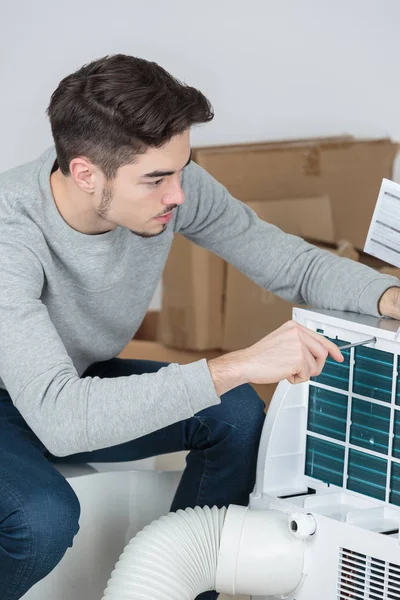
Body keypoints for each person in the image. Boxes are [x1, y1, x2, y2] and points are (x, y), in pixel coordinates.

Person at [0, 54, 399, 600]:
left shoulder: (168, 185)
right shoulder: (9, 231)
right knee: (41, 518)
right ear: (86, 173)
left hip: (72, 378)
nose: (179, 196)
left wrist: (388, 296)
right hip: (25, 399)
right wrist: (235, 365)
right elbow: (62, 421)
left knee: (234, 413)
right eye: (157, 180)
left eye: (182, 169)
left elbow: (292, 263)